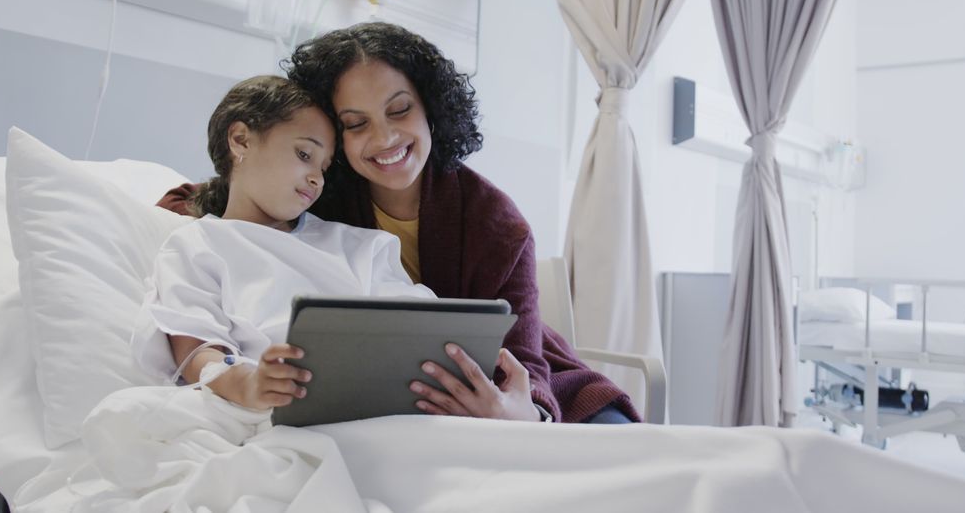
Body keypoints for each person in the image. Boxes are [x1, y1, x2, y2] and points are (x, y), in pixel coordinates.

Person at [158, 24, 638, 423]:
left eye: (400, 110)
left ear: (431, 106)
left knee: (616, 443)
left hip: (519, 375)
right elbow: (229, 204)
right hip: (401, 399)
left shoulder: (495, 224)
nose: (384, 137)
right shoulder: (318, 193)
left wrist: (524, 413)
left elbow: (523, 360)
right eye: (355, 123)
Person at [133, 76, 539, 420]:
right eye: (304, 154)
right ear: (240, 140)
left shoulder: (359, 246)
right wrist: (250, 384)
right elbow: (198, 353)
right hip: (276, 413)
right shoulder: (197, 244)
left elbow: (424, 326)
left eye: (324, 168)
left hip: (395, 415)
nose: (316, 179)